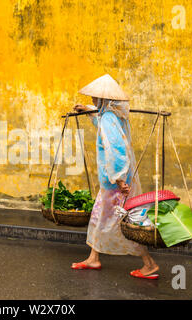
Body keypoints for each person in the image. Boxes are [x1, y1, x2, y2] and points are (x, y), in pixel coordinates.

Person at [71, 74, 159, 279]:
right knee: (102, 218)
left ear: (105, 100)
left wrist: (119, 179)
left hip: (114, 183)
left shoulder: (109, 118)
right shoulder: (113, 115)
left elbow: (116, 149)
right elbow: (102, 122)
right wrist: (89, 110)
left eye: (96, 99)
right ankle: (94, 257)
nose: (93, 100)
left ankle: (149, 263)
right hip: (114, 181)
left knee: (122, 220)